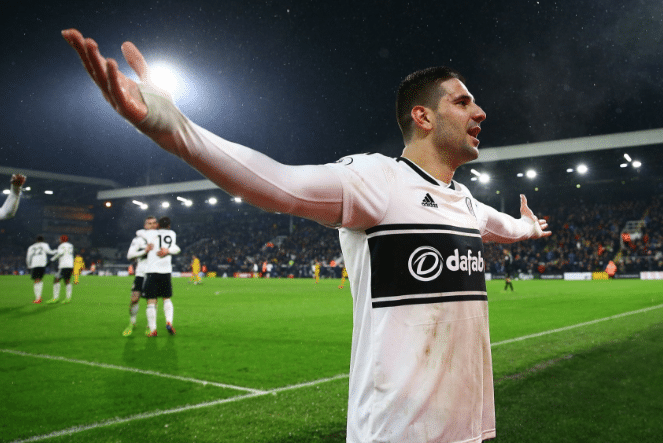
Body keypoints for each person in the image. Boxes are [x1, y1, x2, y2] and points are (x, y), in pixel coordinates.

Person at [63, 29, 551, 443]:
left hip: (468, 428)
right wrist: (177, 129)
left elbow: (504, 228)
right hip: (399, 432)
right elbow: (279, 184)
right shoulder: (378, 180)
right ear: (422, 117)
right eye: (462, 102)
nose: (479, 112)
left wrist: (530, 227)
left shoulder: (465, 203)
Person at [140, 216, 180, 337]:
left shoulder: (150, 234)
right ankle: (169, 322)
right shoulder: (172, 234)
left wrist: (150, 227)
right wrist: (167, 251)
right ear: (169, 226)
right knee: (166, 298)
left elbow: (140, 232)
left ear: (157, 225)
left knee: (151, 302)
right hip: (166, 271)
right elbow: (176, 248)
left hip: (152, 271)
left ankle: (153, 330)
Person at [124, 215, 158, 336]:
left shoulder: (160, 238)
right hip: (140, 273)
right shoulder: (138, 239)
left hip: (154, 273)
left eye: (154, 223)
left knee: (152, 301)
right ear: (145, 225)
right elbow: (130, 255)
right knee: (134, 299)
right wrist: (145, 251)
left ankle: (150, 326)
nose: (152, 225)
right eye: (149, 223)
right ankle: (132, 322)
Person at [26, 235, 55, 304]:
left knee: (36, 280)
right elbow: (50, 252)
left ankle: (38, 298)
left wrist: (28, 265)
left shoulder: (31, 247)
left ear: (36, 240)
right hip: (42, 264)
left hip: (34, 264)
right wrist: (56, 251)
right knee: (40, 280)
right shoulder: (45, 245)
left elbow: (28, 257)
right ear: (43, 240)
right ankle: (38, 297)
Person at [48, 235, 75, 303]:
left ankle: (55, 298)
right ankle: (68, 298)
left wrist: (52, 260)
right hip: (70, 265)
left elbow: (60, 253)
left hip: (64, 265)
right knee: (67, 281)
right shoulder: (71, 245)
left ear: (62, 240)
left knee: (56, 280)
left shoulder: (61, 245)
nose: (59, 240)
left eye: (60, 239)